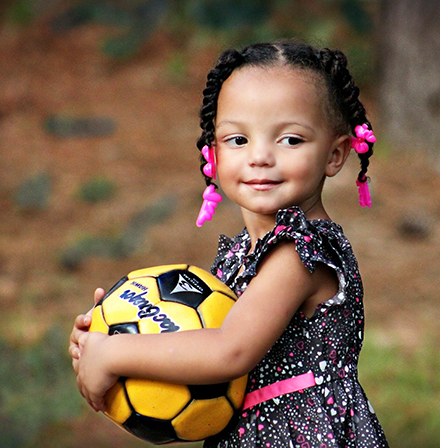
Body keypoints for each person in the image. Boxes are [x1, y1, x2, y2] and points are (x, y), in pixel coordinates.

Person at [69, 40, 389, 447]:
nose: (260, 157)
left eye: (290, 140)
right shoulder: (244, 254)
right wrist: (106, 333)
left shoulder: (301, 253)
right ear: (213, 152)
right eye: (238, 140)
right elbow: (196, 346)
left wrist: (114, 354)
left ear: (335, 154)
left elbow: (229, 351)